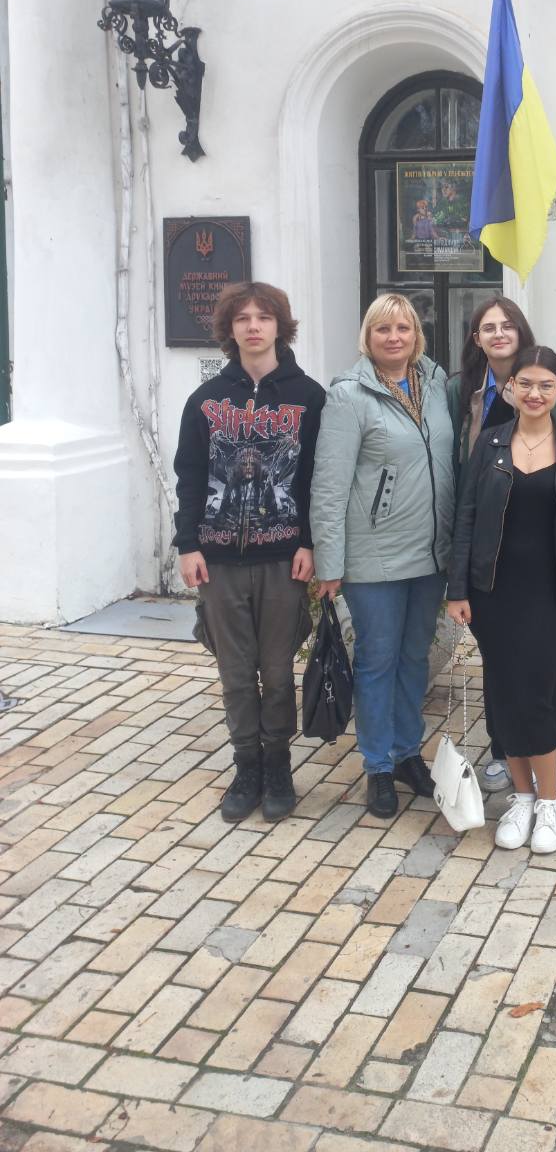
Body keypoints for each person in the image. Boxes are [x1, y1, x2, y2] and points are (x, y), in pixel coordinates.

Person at [173, 281, 326, 825]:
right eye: (243, 318)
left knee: (278, 671)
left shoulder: (308, 397)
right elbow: (190, 476)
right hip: (218, 560)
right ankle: (247, 766)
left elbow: (317, 478)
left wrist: (310, 541)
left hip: (283, 558)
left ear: (280, 326)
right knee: (236, 673)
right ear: (230, 329)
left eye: (263, 317)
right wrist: (187, 544)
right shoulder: (206, 400)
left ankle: (279, 765)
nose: (253, 326)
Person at [446, 346, 556, 854]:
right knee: (504, 691)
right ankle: (522, 797)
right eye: (525, 384)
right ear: (511, 388)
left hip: (548, 592)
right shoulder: (489, 445)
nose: (535, 394)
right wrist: (457, 589)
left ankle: (550, 800)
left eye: (545, 385)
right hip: (493, 590)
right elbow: (466, 517)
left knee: (538, 692)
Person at [310, 294, 455, 820]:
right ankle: (376, 765)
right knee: (378, 660)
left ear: (417, 334)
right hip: (374, 556)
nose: (394, 338)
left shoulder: (435, 383)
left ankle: (407, 752)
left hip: (430, 553)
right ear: (367, 338)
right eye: (382, 329)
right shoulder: (349, 395)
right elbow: (329, 485)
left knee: (414, 658)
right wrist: (330, 564)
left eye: (403, 328)